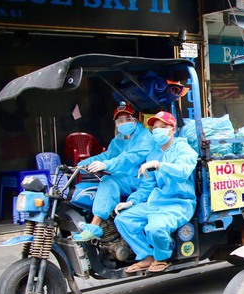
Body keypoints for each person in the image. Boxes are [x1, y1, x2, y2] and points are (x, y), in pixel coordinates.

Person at [114, 111, 198, 273]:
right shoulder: (154, 153)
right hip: (156, 202)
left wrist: (159, 165)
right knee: (124, 219)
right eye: (155, 128)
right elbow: (147, 186)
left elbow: (182, 172)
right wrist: (131, 201)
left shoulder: (183, 149)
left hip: (179, 203)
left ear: (173, 129)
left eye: (163, 127)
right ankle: (146, 257)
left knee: (155, 228)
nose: (158, 130)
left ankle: (162, 257)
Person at [73, 102, 153, 242]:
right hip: (125, 179)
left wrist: (106, 165)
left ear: (135, 120)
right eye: (120, 120)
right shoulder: (119, 140)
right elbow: (107, 155)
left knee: (109, 180)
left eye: (128, 119)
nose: (124, 123)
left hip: (141, 179)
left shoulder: (144, 137)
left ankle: (94, 226)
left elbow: (130, 158)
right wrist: (83, 164)